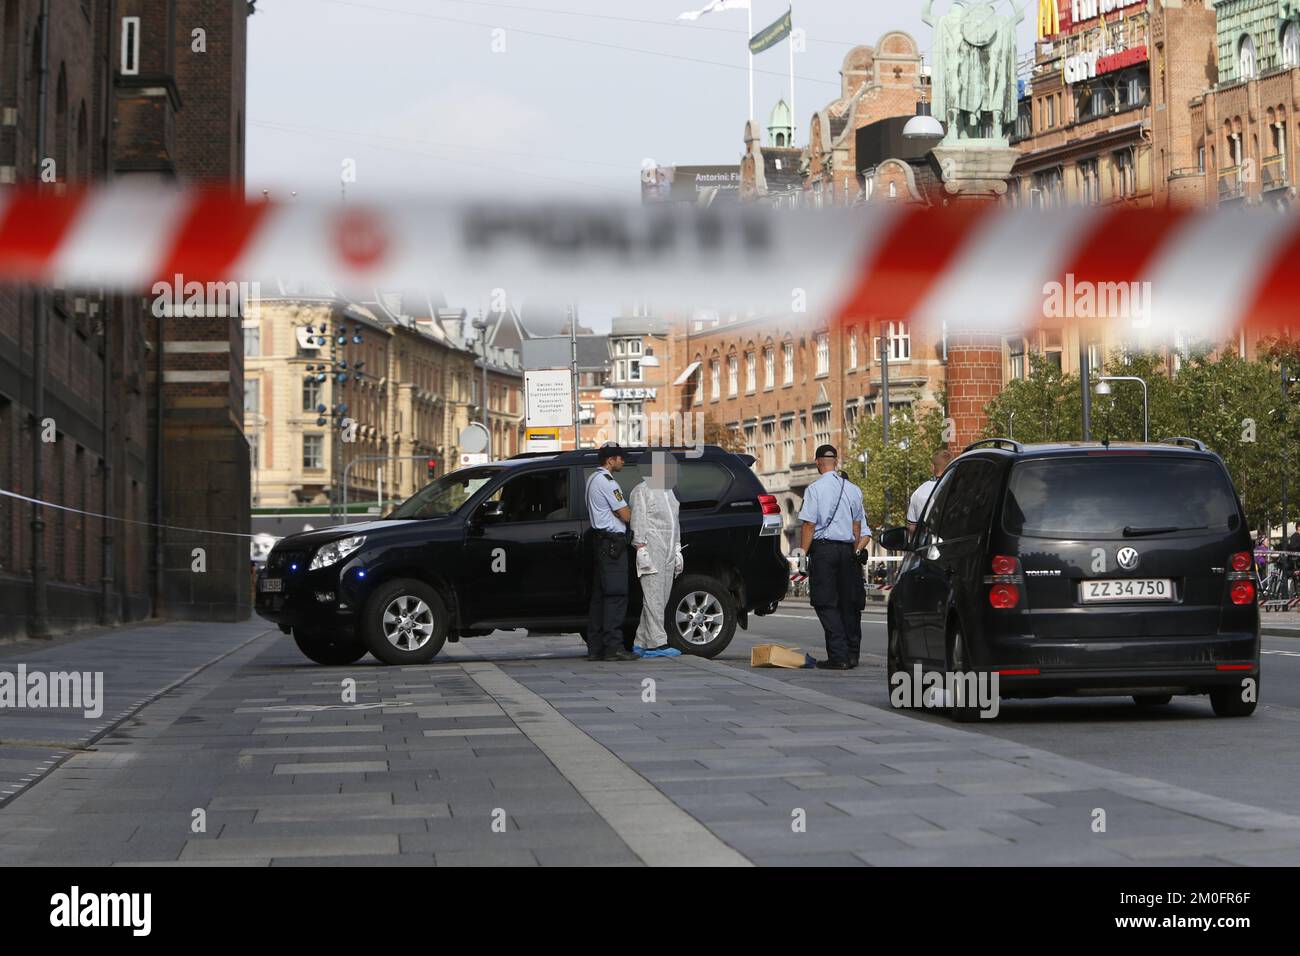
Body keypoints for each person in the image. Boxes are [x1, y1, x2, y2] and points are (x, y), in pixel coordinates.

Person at [798, 444, 872, 670]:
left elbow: (809, 524)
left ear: (818, 462)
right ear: (836, 462)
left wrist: (802, 554)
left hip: (824, 550)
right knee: (850, 602)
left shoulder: (814, 489)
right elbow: (858, 525)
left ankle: (838, 655)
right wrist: (853, 550)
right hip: (848, 550)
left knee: (825, 601)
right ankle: (852, 654)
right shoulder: (853, 489)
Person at [585, 444, 638, 663]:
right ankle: (614, 648)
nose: (623, 462)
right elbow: (625, 515)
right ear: (610, 461)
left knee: (600, 597)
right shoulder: (608, 482)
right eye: (620, 458)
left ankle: (596, 647)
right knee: (616, 595)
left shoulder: (591, 479)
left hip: (601, 543)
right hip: (612, 545)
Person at [630, 451, 684, 658]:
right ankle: (657, 644)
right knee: (653, 597)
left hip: (669, 548)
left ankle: (641, 641)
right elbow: (638, 521)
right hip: (651, 548)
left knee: (660, 596)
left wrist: (677, 549)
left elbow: (674, 523)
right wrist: (640, 548)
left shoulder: (669, 492)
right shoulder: (642, 490)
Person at [907, 448, 954, 539]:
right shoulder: (958, 488)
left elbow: (912, 528)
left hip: (927, 548)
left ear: (932, 467)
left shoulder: (918, 492)